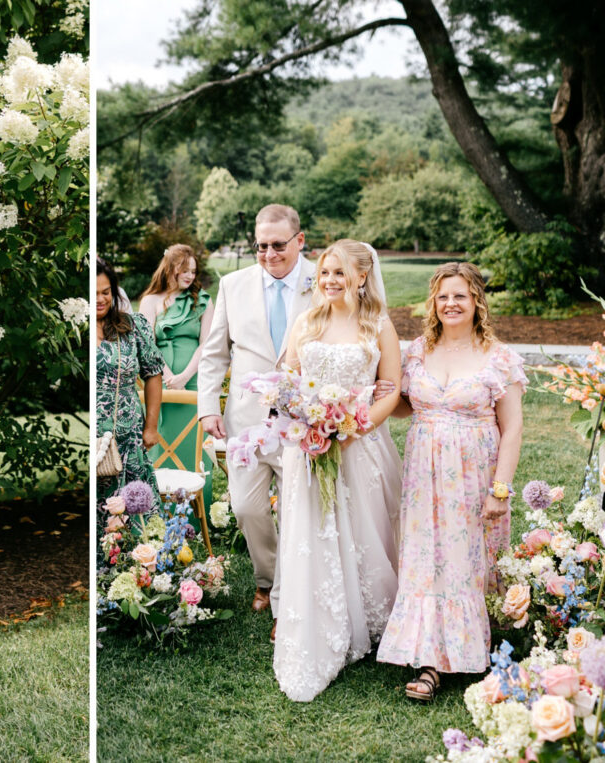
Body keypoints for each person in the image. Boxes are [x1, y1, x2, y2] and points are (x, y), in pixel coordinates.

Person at [377, 262, 526, 701]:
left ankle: (468, 649)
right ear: (433, 302)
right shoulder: (419, 350)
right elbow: (404, 405)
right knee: (426, 557)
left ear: (477, 300)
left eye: (460, 295)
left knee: (466, 559)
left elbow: (513, 429)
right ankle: (428, 658)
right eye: (443, 296)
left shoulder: (498, 358)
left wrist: (500, 488)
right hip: (424, 472)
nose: (450, 304)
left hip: (474, 472)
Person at [270, 239, 402, 702]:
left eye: (339, 273)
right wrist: (306, 421)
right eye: (324, 272)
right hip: (306, 447)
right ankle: (318, 622)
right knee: (314, 532)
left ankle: (370, 619)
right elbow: (286, 382)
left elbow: (391, 390)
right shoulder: (306, 322)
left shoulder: (377, 325)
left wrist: (353, 428)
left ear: (362, 277)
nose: (328, 281)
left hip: (358, 445)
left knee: (363, 529)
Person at [197, 204, 316, 617]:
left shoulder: (325, 282)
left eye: (278, 245)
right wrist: (208, 406)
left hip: (305, 423)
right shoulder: (233, 285)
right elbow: (214, 354)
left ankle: (285, 594)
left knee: (300, 509)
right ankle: (267, 576)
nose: (269, 254)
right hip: (246, 422)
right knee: (247, 508)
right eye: (261, 246)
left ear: (299, 241)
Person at [138, 244, 215, 504]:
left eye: (194, 271)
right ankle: (159, 510)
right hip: (158, 380)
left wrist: (183, 376)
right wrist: (167, 375)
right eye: (185, 270)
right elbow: (147, 343)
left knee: (193, 442)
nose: (190, 276)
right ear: (170, 269)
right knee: (163, 441)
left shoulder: (203, 300)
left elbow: (206, 343)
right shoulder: (150, 301)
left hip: (193, 378)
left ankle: (197, 511)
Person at [96, 257, 164, 509]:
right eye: (94, 294)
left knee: (134, 512)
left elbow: (153, 373)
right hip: (90, 439)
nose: (101, 299)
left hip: (128, 437)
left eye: (106, 292)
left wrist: (151, 426)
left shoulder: (132, 326)